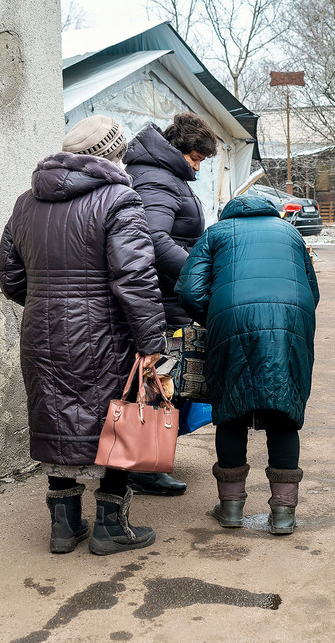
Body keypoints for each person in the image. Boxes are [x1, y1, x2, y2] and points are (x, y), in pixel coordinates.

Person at [0, 115, 167, 554]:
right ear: (112, 153)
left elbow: (10, 278)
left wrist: (50, 303)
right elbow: (135, 278)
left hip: (41, 329)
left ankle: (63, 527)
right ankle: (110, 528)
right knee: (118, 420)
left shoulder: (24, 203)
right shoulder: (119, 199)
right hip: (103, 331)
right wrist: (152, 342)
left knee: (55, 418)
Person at [175, 195, 320, 535]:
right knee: (284, 410)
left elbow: (190, 292)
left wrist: (217, 317)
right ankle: (283, 514)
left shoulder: (216, 233)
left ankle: (231, 509)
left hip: (231, 320)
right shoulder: (290, 233)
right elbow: (312, 290)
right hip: (291, 322)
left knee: (231, 410)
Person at [122, 112, 219, 496]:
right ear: (179, 150)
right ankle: (143, 467)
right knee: (159, 380)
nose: (197, 167)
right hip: (162, 299)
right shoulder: (157, 178)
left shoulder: (163, 174)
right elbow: (153, 239)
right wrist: (198, 272)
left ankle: (149, 461)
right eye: (196, 159)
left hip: (167, 295)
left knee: (163, 380)